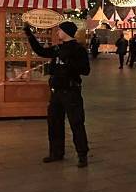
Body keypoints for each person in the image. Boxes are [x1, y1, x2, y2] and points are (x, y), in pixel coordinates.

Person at [24, 22, 91, 167]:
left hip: (71, 92)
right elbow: (41, 51)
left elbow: (85, 70)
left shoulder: (78, 49)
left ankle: (82, 154)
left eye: (59, 30)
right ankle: (56, 152)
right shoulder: (58, 48)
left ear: (66, 32)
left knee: (76, 123)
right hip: (56, 92)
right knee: (54, 123)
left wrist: (68, 61)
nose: (57, 33)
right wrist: (29, 35)